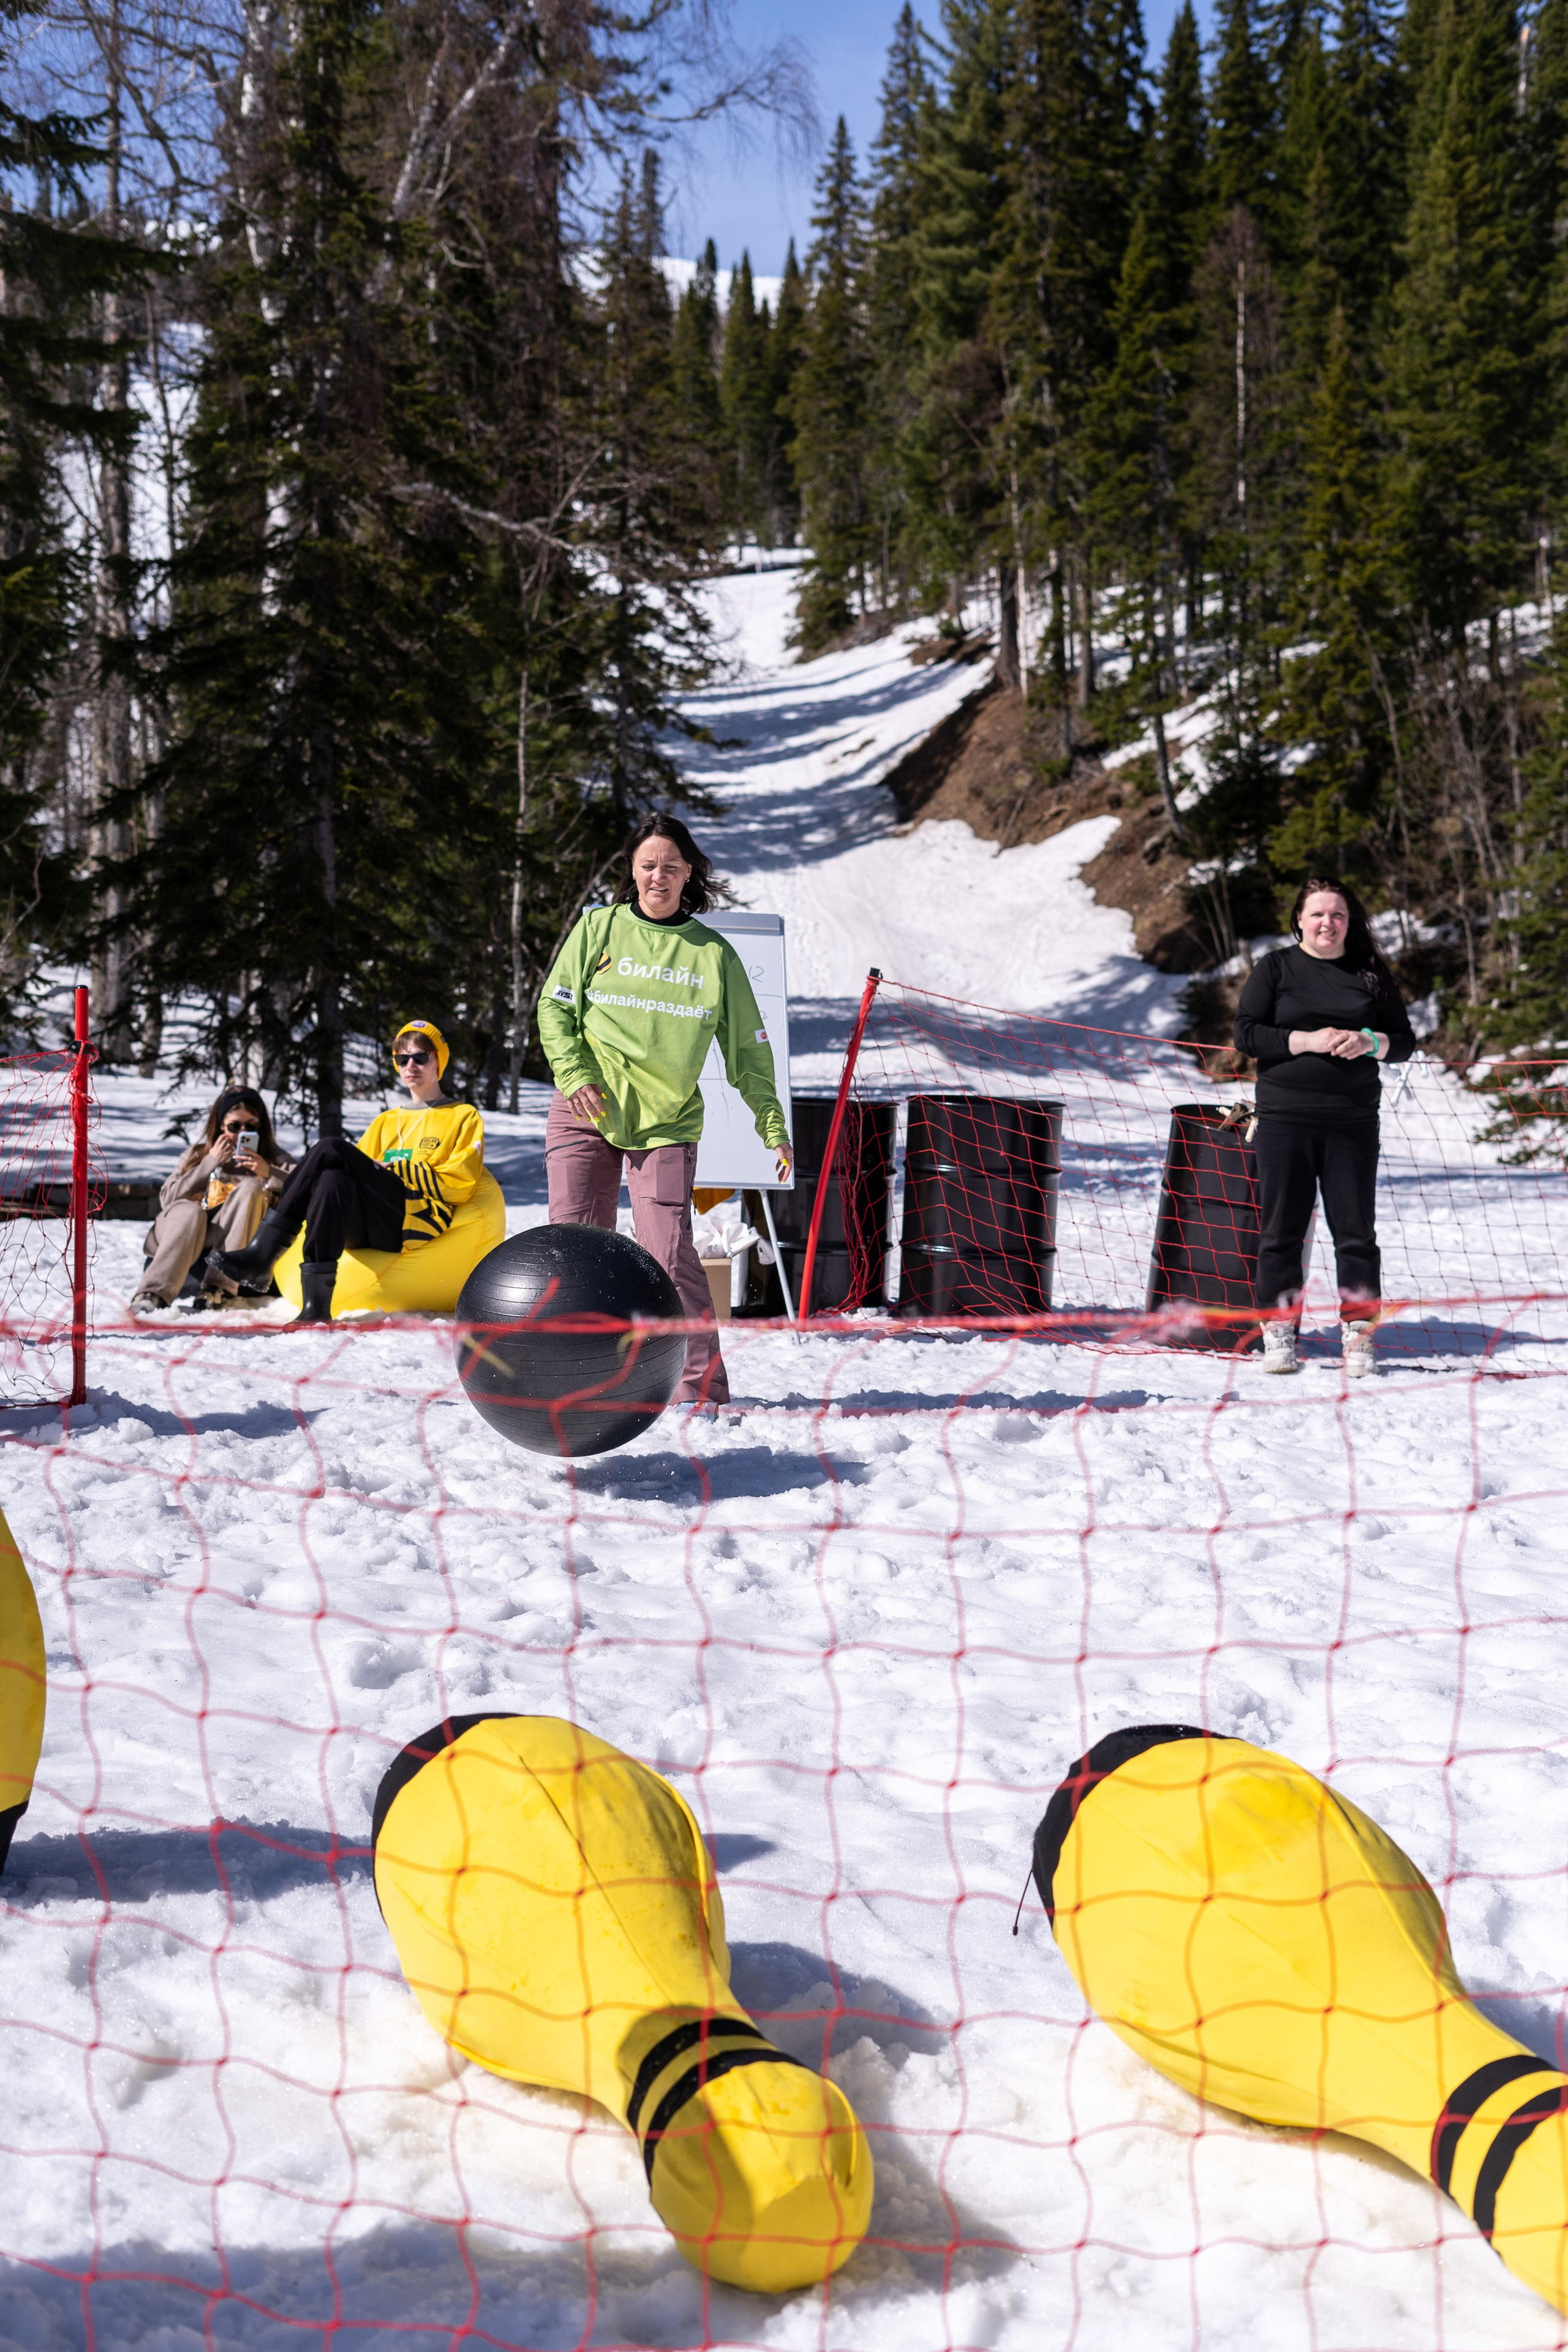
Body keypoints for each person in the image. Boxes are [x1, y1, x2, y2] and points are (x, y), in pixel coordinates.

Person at [537, 816, 792, 1416]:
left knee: (669, 1253)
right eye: (648, 864)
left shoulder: (713, 955)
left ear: (689, 873)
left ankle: (702, 1391)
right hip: (585, 1108)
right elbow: (556, 1011)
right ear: (632, 869)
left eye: (670, 866)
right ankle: (583, 1381)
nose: (658, 876)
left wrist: (772, 1124)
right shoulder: (598, 928)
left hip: (667, 1121)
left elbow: (749, 1054)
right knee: (577, 1249)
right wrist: (575, 1075)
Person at [1234, 878, 1416, 1378]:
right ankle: (1279, 1334)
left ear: (1349, 921)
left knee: (1356, 1235)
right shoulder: (1275, 968)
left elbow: (1403, 1040)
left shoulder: (1369, 973)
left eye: (1337, 915)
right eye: (1317, 914)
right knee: (1281, 1233)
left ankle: (1358, 1337)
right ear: (1299, 920)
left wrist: (1369, 1042)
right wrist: (1306, 1040)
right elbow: (1247, 1034)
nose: (1327, 923)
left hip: (1352, 1123)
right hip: (1285, 1120)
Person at [211, 1020, 486, 1324]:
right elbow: (357, 1174)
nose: (411, 1065)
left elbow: (461, 1183)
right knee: (332, 1180)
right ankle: (316, 1309)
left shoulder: (462, 1116)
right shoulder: (386, 1121)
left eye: (421, 1057)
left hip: (418, 1220)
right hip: (372, 1222)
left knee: (331, 1147)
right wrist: (374, 1172)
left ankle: (262, 1253)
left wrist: (397, 1169)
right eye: (401, 1058)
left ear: (439, 1060)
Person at [132, 1088, 295, 1314]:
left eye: (252, 1126)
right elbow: (168, 1199)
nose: (243, 1133)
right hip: (184, 1231)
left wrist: (269, 1173)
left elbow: (305, 1190)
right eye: (235, 1126)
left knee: (250, 1188)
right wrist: (209, 1162)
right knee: (190, 1212)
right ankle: (151, 1294)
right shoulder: (197, 1154)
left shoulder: (275, 1158)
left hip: (236, 1239)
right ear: (220, 1125)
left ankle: (219, 1289)